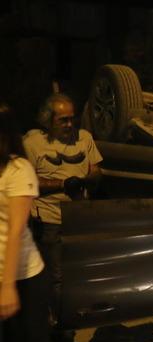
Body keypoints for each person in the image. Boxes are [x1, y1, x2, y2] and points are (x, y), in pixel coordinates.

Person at [0, 101, 71, 342]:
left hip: (25, 276)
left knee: (36, 341)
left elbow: (15, 230)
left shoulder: (19, 171)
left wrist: (8, 287)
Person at [23, 93, 102, 319]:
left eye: (72, 119)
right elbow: (28, 182)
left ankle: (78, 315)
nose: (70, 124)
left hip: (79, 219)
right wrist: (62, 184)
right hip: (50, 220)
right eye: (63, 120)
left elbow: (96, 169)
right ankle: (59, 321)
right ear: (48, 120)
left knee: (79, 272)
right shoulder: (33, 143)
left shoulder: (84, 138)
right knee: (56, 276)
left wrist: (89, 179)